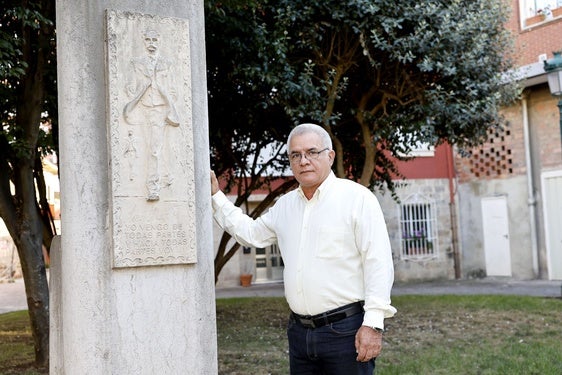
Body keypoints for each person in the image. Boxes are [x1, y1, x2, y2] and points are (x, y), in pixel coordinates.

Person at [210, 123, 396, 374]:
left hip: (346, 332)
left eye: (312, 152)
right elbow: (251, 234)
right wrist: (216, 196)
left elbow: (378, 263)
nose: (303, 161)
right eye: (295, 155)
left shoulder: (357, 199)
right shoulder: (285, 206)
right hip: (299, 333)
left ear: (330, 156)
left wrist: (373, 324)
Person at [123, 28, 179, 201]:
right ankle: (145, 184)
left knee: (156, 148)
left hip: (160, 108)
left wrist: (165, 96)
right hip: (143, 107)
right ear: (143, 41)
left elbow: (174, 90)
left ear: (159, 41)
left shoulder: (167, 64)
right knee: (143, 148)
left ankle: (155, 186)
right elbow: (129, 88)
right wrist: (142, 88)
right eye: (148, 40)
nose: (152, 44)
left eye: (154, 40)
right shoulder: (136, 63)